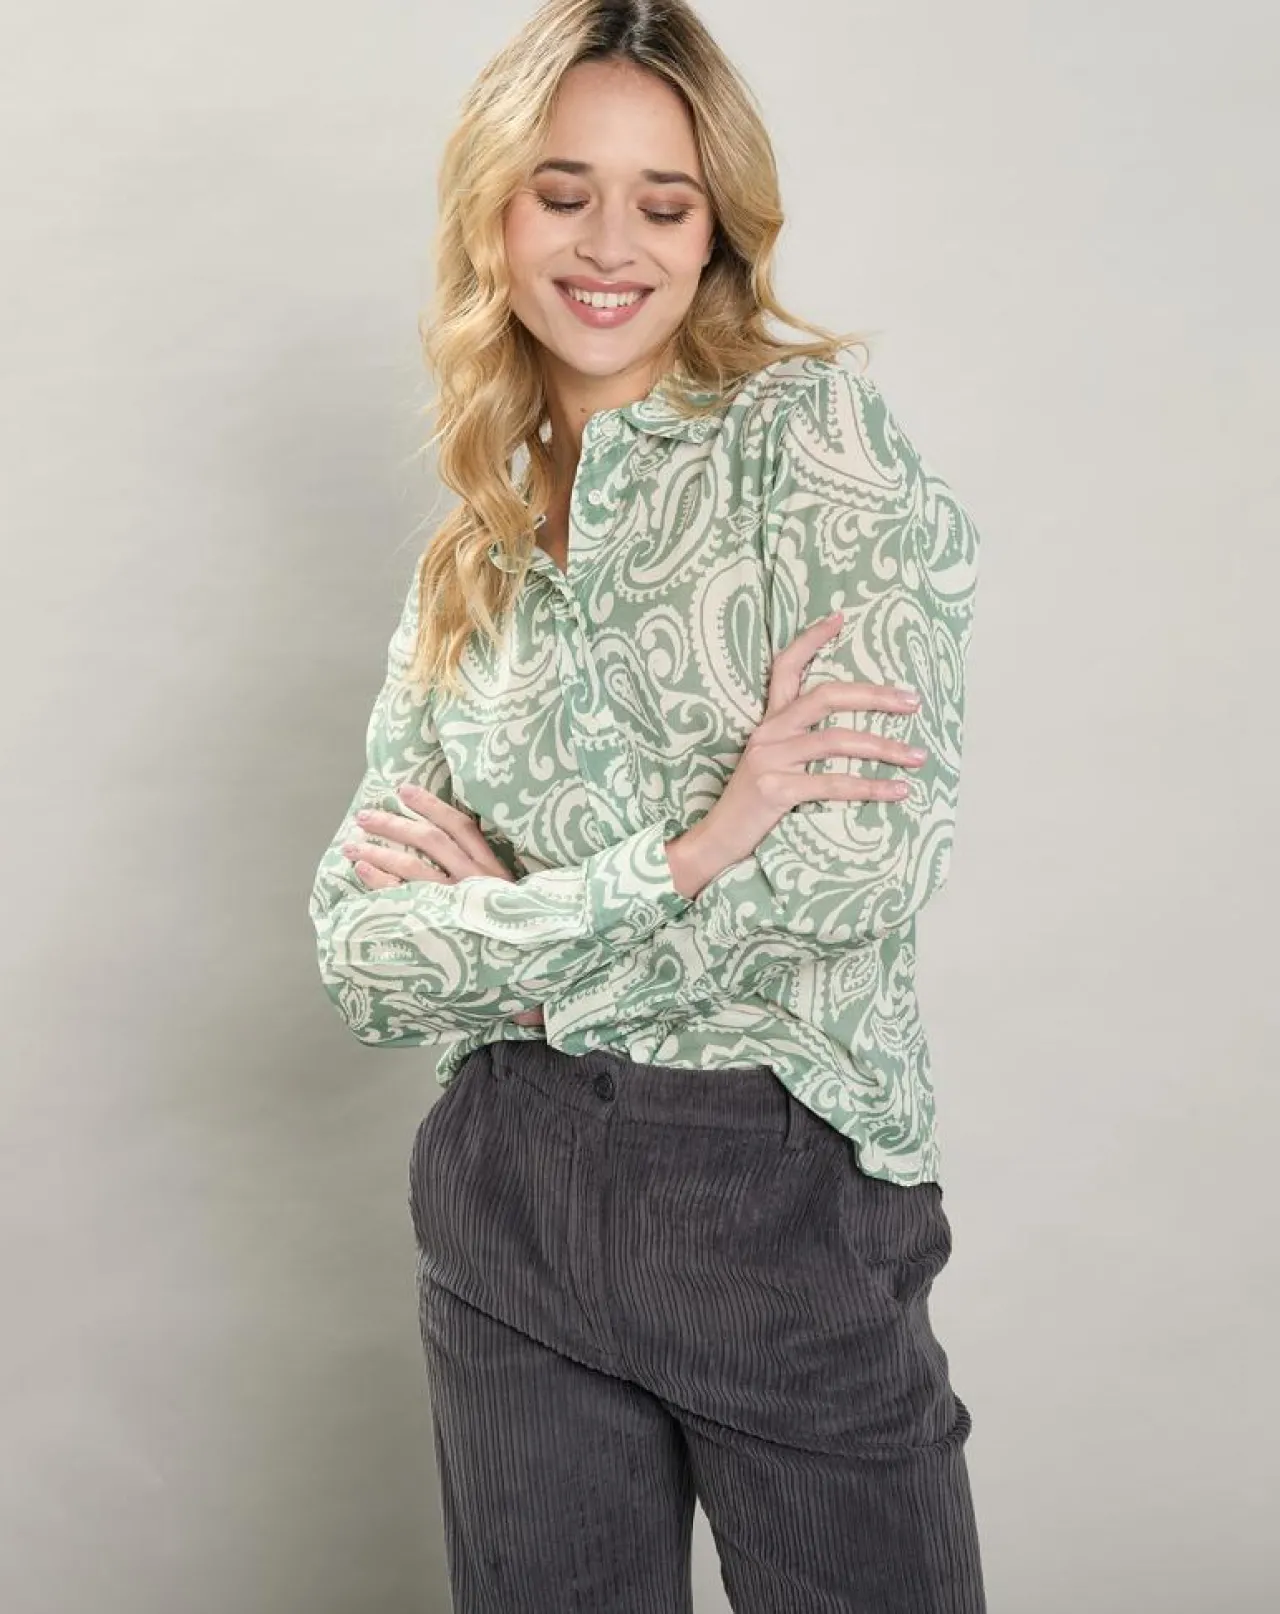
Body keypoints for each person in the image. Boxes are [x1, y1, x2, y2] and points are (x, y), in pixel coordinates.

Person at [308, 1, 986, 1608]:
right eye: (563, 193)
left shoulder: (812, 448)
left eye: (662, 204)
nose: (610, 244)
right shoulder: (469, 548)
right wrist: (686, 854)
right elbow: (360, 955)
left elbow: (860, 870)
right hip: (509, 1199)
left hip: (781, 1195)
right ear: (494, 210)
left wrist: (513, 943)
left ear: (715, 233)